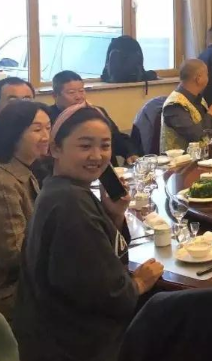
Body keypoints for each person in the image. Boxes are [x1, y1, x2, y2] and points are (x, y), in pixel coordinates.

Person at [13, 103, 164, 361]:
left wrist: (114, 215)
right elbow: (108, 295)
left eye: (105, 146)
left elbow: (87, 262)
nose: (97, 155)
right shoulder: (69, 203)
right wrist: (138, 284)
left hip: (51, 335)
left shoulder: (61, 189)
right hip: (77, 345)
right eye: (85, 146)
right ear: (56, 148)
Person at [0, 101, 50, 320]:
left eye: (48, 127)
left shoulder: (24, 170)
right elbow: (15, 253)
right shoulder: (5, 183)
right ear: (14, 133)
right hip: (14, 293)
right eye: (37, 130)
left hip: (30, 279)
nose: (46, 136)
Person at [48, 70, 139, 165]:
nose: (79, 97)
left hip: (104, 168)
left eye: (81, 91)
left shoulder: (96, 112)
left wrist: (131, 153)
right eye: (71, 93)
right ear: (55, 95)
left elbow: (116, 138)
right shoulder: (47, 117)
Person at [161, 59, 212, 152]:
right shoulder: (174, 105)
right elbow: (195, 135)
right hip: (181, 160)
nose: (208, 78)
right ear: (198, 79)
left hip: (203, 156)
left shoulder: (199, 99)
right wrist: (211, 113)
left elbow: (208, 129)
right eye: (207, 75)